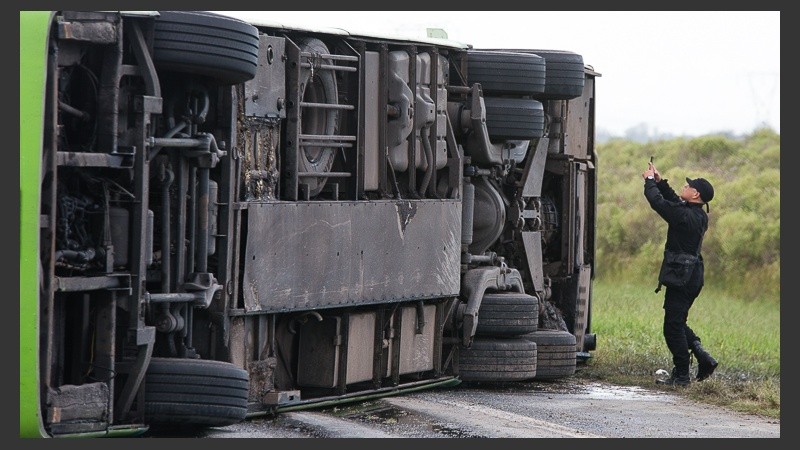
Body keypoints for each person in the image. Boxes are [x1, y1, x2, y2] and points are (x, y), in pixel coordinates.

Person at [642, 161, 719, 386]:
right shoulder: (696, 214)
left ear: (695, 194)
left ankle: (682, 376)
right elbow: (673, 200)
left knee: (672, 327)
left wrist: (648, 182)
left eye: (688, 186)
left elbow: (658, 203)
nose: (683, 188)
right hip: (690, 276)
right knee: (677, 321)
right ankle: (702, 356)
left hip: (683, 278)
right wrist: (659, 181)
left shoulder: (685, 216)